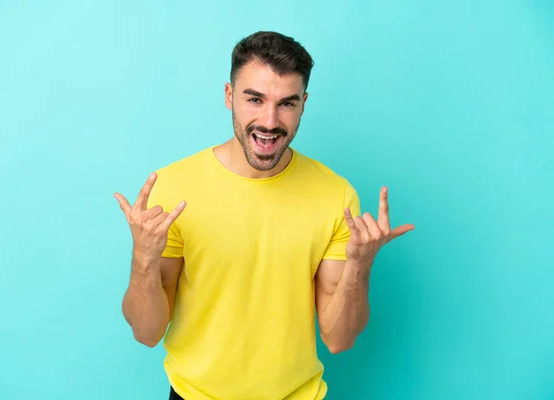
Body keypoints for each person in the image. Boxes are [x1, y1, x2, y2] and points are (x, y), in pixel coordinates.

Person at [114, 31, 414, 400]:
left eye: (286, 103)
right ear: (229, 97)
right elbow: (146, 332)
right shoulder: (173, 189)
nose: (270, 121)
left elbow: (339, 339)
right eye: (254, 99)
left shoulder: (336, 196)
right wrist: (143, 259)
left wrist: (360, 264)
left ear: (304, 103)